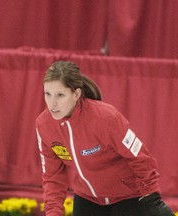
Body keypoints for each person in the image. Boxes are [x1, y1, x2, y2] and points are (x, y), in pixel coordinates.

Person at [35, 60, 175, 216]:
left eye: (60, 95)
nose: (52, 103)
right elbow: (52, 177)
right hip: (88, 199)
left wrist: (151, 197)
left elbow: (140, 158)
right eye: (47, 94)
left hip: (127, 196)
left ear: (76, 94)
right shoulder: (44, 125)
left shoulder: (106, 118)